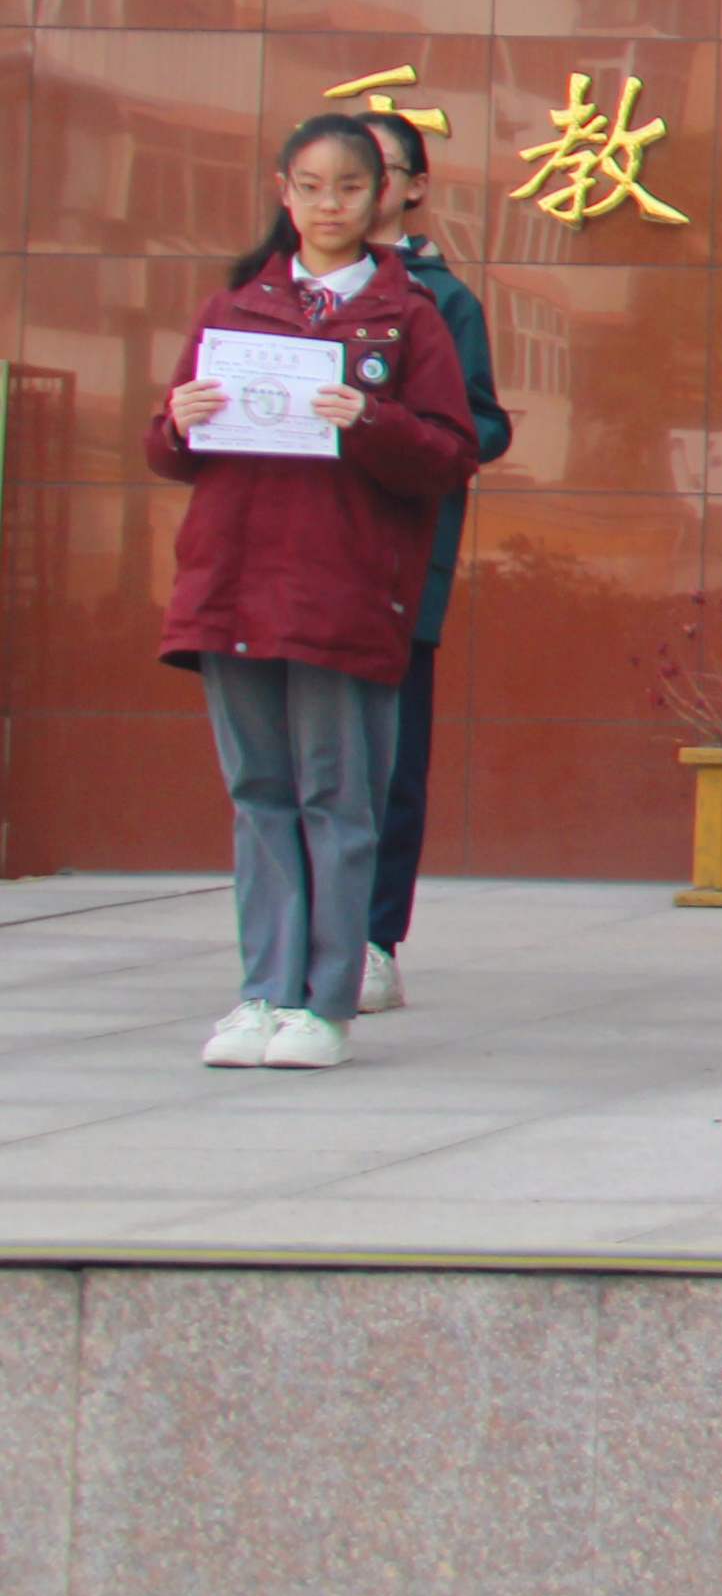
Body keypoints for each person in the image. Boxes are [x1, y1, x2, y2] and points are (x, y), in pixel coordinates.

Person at [152, 113, 477, 1071]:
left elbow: (450, 453)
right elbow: (170, 449)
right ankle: (263, 990)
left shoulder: (409, 314)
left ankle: (324, 1001)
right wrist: (179, 422)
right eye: (310, 186)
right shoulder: (234, 308)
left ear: (382, 195)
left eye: (349, 187)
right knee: (259, 792)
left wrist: (369, 421)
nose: (328, 205)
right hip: (236, 582)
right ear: (283, 192)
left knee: (338, 797)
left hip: (343, 588)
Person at [349, 105, 507, 1017]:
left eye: (376, 167)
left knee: (391, 761)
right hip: (300, 554)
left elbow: (483, 424)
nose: (355, 185)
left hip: (401, 559)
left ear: (411, 188)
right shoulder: (278, 290)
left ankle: (373, 940)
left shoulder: (443, 303)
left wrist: (392, 431)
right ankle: (295, 936)